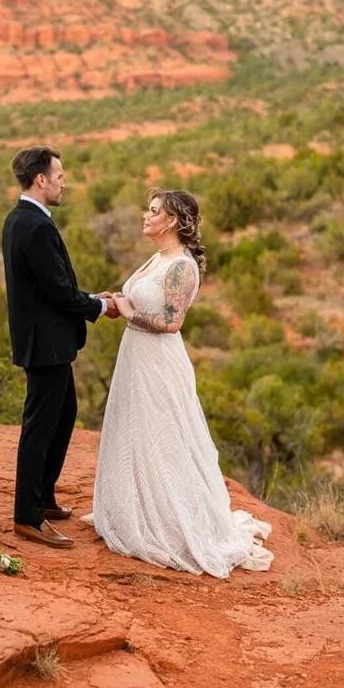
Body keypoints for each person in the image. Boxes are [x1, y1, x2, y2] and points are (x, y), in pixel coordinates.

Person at [88, 189, 273, 576]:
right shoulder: (158, 258)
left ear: (171, 221)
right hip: (136, 356)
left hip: (158, 362)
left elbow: (172, 323)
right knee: (134, 430)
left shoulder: (181, 267)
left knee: (163, 435)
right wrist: (117, 302)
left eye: (153, 211)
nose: (146, 215)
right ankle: (133, 510)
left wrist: (127, 312)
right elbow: (142, 302)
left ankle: (168, 522)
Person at [2, 147, 115, 549]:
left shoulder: (21, 219)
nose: (64, 183)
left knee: (64, 415)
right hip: (45, 345)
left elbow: (50, 287)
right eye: (60, 176)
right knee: (40, 427)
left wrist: (90, 297)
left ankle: (43, 497)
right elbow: (58, 291)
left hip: (47, 342)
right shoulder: (35, 226)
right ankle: (27, 517)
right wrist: (100, 306)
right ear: (41, 180)